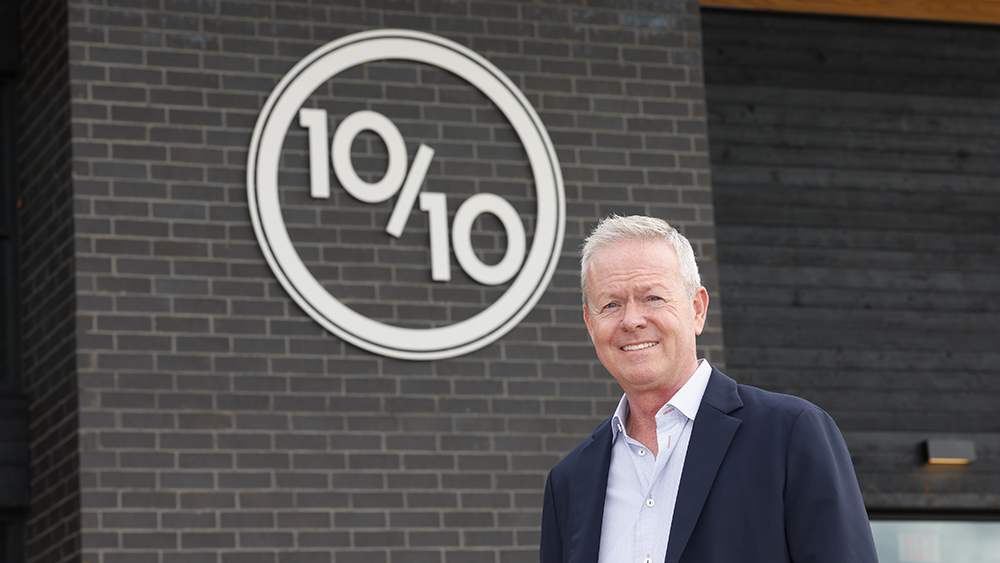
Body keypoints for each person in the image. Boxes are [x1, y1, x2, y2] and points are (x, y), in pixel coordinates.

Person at [540, 215, 878, 563]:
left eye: (652, 297)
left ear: (697, 309)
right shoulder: (568, 484)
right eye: (611, 304)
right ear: (590, 323)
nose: (632, 320)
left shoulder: (789, 435)